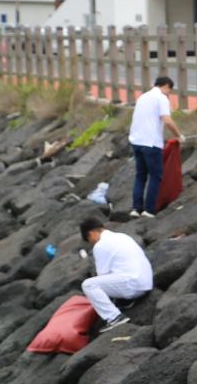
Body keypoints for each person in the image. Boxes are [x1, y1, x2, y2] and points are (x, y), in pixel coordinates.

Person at [79, 218, 153, 332]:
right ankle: (125, 301)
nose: (92, 243)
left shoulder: (100, 245)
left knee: (89, 285)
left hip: (134, 286)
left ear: (91, 233)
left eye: (90, 240)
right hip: (147, 283)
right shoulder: (122, 236)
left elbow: (102, 275)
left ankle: (114, 318)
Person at [128, 76, 184, 218]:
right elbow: (167, 119)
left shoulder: (143, 97)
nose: (168, 94)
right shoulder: (161, 98)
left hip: (136, 141)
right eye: (169, 90)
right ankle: (149, 210)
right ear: (166, 86)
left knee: (140, 175)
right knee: (155, 176)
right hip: (151, 143)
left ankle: (136, 208)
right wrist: (179, 135)